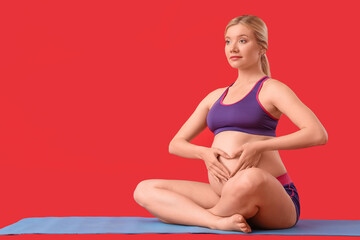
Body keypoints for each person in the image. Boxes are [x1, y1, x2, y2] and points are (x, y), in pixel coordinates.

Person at [133, 15, 328, 233]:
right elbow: (176, 144)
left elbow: (317, 134)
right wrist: (204, 154)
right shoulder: (214, 97)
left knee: (251, 177)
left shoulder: (272, 89)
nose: (233, 48)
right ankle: (216, 220)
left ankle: (191, 214)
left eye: (242, 41)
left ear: (261, 47)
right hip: (224, 194)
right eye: (228, 41)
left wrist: (260, 146)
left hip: (274, 199)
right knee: (145, 189)